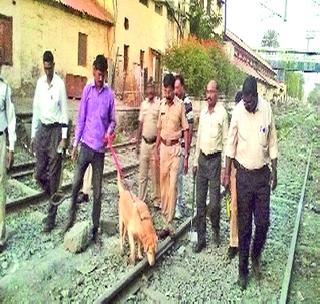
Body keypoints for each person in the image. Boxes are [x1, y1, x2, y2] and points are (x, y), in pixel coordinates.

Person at [223, 76, 278, 290]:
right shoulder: (237, 111)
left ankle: (256, 254)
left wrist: (276, 170)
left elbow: (272, 140)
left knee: (263, 223)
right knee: (244, 227)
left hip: (262, 176)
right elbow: (230, 143)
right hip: (244, 176)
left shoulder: (266, 109)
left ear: (256, 95)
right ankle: (243, 271)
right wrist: (227, 173)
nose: (246, 104)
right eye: (244, 101)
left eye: (249, 100)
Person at [64, 55, 116, 242]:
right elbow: (81, 119)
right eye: (98, 74)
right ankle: (70, 219)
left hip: (100, 151)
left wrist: (109, 132)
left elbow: (113, 121)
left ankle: (94, 227)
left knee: (98, 192)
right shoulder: (87, 90)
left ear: (106, 74)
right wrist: (75, 144)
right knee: (76, 183)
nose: (100, 78)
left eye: (103, 75)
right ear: (94, 70)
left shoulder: (110, 95)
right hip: (85, 146)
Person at [31, 50, 68, 232]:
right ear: (43, 66)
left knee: (54, 175)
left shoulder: (60, 84)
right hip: (42, 131)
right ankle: (53, 196)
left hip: (55, 131)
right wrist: (33, 134)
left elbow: (64, 112)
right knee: (38, 173)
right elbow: (36, 110)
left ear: (53, 65)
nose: (47, 71)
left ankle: (51, 218)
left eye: (50, 67)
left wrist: (64, 138)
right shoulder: (39, 84)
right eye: (45, 68)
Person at [192, 80, 228, 253]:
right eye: (207, 92)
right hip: (202, 160)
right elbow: (198, 138)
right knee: (200, 203)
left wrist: (224, 169)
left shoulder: (222, 114)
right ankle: (201, 239)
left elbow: (227, 142)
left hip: (215, 162)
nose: (208, 95)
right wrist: (194, 161)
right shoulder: (204, 113)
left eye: (211, 92)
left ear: (217, 93)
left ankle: (215, 227)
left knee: (214, 204)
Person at [155, 73, 189, 227]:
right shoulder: (161, 105)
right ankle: (164, 214)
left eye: (169, 91)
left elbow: (186, 129)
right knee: (163, 184)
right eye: (165, 91)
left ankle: (169, 222)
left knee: (173, 184)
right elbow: (158, 128)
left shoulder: (180, 105)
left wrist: (186, 153)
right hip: (163, 148)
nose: (167, 94)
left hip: (175, 149)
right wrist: (156, 148)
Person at [136, 81, 161, 208]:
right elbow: (140, 124)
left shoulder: (159, 104)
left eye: (152, 89)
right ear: (146, 91)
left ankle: (157, 200)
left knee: (155, 174)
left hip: (154, 144)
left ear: (155, 91)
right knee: (142, 174)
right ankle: (141, 199)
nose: (150, 91)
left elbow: (160, 126)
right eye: (148, 89)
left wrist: (158, 146)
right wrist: (137, 142)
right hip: (144, 143)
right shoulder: (143, 104)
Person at [0, 71, 16, 252]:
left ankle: (0, 236)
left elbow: (11, 119)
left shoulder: (4, 89)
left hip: (0, 140)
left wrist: (11, 148)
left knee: (0, 187)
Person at [174, 75, 194, 218]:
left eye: (177, 88)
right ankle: (173, 204)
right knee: (173, 177)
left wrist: (187, 152)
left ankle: (179, 207)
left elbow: (190, 127)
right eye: (174, 88)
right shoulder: (175, 102)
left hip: (181, 146)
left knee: (179, 178)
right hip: (174, 145)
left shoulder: (186, 103)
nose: (175, 91)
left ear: (182, 87)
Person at [227, 90, 242, 260]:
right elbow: (229, 149)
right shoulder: (234, 123)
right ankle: (233, 242)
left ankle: (242, 238)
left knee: (245, 207)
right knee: (234, 206)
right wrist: (227, 172)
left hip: (249, 172)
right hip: (235, 170)